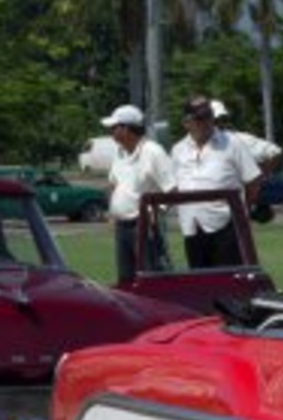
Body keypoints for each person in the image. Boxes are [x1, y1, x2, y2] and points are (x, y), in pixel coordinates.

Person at [169, 96, 262, 268]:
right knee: (200, 285)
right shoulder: (177, 150)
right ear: (186, 123)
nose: (205, 122)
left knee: (230, 284)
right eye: (199, 118)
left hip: (226, 226)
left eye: (208, 116)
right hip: (192, 227)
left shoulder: (233, 143)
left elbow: (253, 181)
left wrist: (242, 211)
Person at [100, 104, 175, 281]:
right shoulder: (119, 152)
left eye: (114, 127)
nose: (110, 131)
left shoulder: (153, 152)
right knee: (126, 278)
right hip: (122, 226)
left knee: (149, 278)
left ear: (127, 129)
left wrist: (155, 213)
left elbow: (172, 189)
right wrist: (113, 211)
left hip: (145, 226)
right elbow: (114, 183)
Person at [210, 99, 282, 176]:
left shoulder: (239, 139)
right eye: (216, 121)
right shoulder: (198, 144)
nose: (219, 124)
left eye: (222, 120)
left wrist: (258, 179)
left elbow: (275, 152)